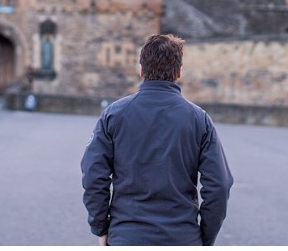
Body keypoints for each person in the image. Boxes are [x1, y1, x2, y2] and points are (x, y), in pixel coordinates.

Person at [81, 34, 234, 246]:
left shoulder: (114, 114)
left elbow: (93, 176)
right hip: (182, 237)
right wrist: (204, 237)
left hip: (127, 236)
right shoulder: (199, 120)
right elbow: (219, 185)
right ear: (179, 72)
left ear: (141, 70)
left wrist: (100, 227)